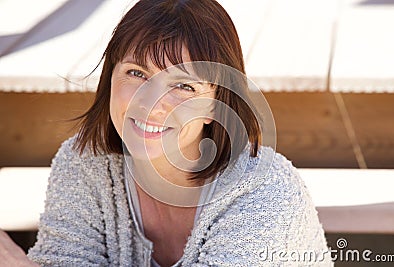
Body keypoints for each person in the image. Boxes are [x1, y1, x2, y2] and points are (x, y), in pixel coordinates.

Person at [0, 0, 333, 266]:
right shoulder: (83, 163)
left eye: (183, 85)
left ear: (218, 103)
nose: (151, 103)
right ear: (109, 78)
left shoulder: (267, 191)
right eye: (136, 73)